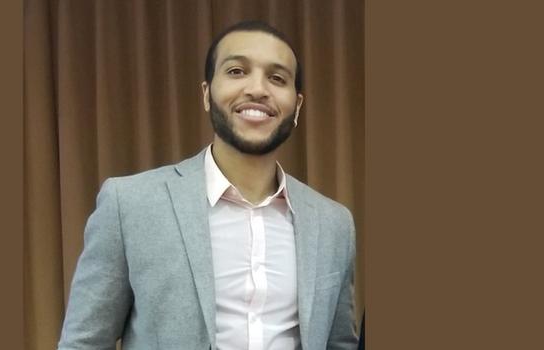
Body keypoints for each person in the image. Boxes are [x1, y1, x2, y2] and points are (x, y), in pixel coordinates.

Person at [57, 20, 358, 350]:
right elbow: (83, 343)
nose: (258, 89)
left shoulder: (334, 224)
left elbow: (339, 343)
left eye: (277, 78)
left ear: (296, 106)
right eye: (236, 71)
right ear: (206, 94)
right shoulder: (128, 204)